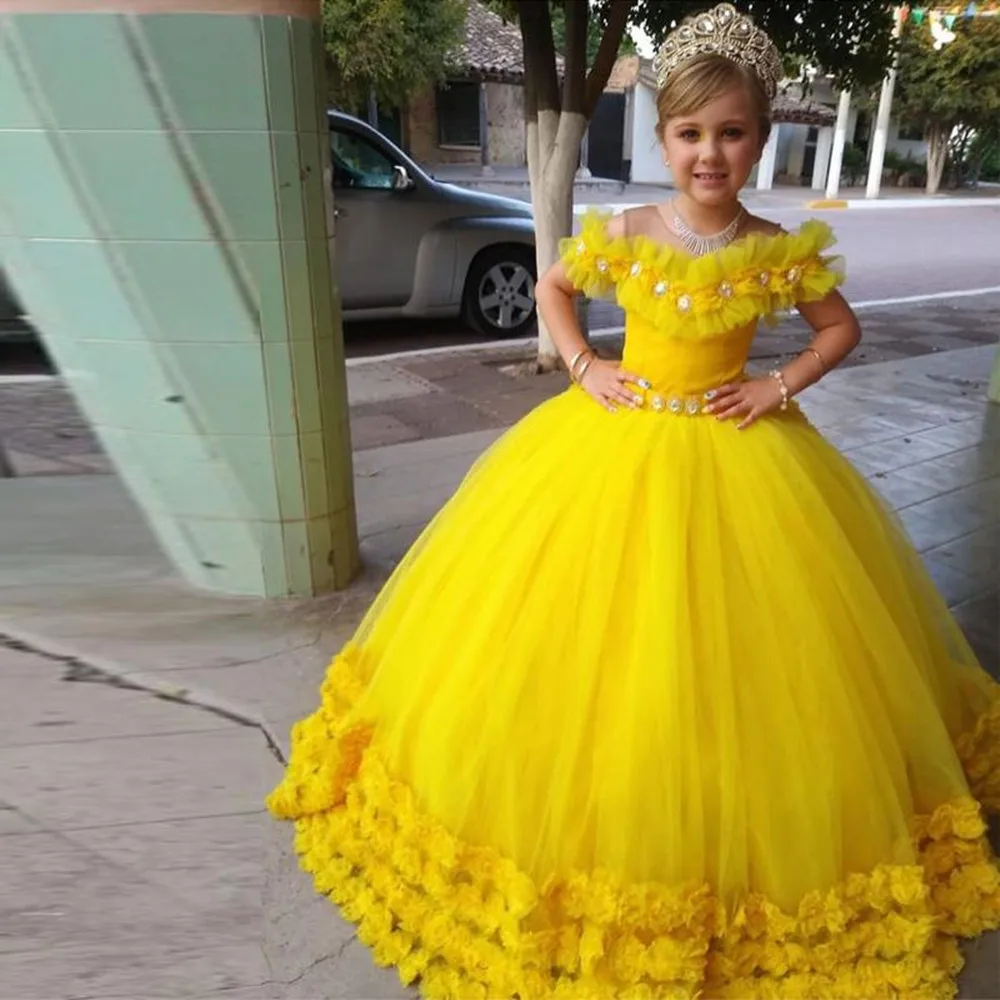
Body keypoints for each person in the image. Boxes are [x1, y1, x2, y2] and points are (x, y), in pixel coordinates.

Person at [268, 5, 1000, 996]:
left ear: (759, 136)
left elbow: (840, 330)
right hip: (610, 449)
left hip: (748, 457)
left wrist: (776, 386)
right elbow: (555, 289)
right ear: (662, 139)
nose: (710, 154)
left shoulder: (775, 244)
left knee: (749, 661)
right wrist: (582, 366)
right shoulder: (626, 230)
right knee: (584, 644)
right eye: (690, 134)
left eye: (731, 133)